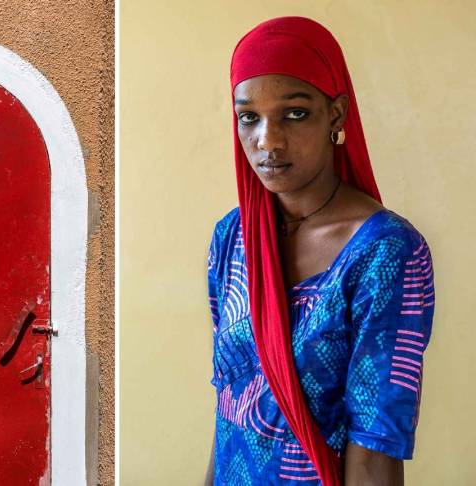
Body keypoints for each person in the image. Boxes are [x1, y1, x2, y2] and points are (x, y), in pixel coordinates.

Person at [206, 17, 435, 485]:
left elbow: (375, 447)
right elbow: (230, 408)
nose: (267, 140)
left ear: (336, 114)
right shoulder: (233, 238)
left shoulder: (385, 254)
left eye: (294, 113)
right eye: (249, 117)